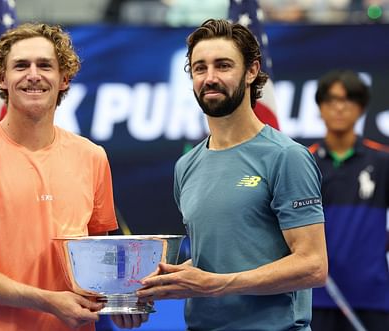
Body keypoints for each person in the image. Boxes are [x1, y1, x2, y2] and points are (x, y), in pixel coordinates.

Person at [0, 23, 146, 330]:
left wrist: (119, 301)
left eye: (45, 65)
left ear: (64, 79)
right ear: (1, 79)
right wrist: (47, 300)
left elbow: (99, 262)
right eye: (21, 65)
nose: (33, 75)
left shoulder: (92, 157)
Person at [136, 18, 328, 330]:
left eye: (223, 65)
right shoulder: (186, 165)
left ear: (251, 71)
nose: (210, 78)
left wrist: (214, 284)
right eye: (200, 68)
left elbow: (313, 266)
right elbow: (216, 261)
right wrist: (165, 283)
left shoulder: (287, 156)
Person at [309, 69, 389, 331]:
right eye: (331, 100)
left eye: (349, 100)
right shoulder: (302, 162)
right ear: (320, 107)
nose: (340, 108)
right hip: (316, 297)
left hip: (372, 298)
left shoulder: (382, 162)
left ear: (362, 108)